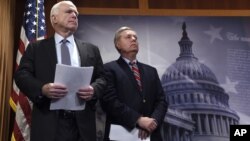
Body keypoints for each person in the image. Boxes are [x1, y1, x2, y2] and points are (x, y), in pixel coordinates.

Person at [14, 1, 106, 141]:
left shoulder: (91, 49)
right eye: (69, 12)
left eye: (76, 13)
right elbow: (21, 75)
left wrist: (93, 89)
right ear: (54, 18)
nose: (74, 15)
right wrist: (42, 89)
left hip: (82, 125)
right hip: (49, 122)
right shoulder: (36, 48)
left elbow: (103, 79)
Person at [101, 26, 168, 141]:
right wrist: (138, 120)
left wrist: (152, 122)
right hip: (121, 134)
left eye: (135, 37)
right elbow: (110, 101)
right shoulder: (108, 69)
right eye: (128, 37)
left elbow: (161, 100)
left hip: (151, 135)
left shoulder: (151, 71)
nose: (133, 39)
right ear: (118, 44)